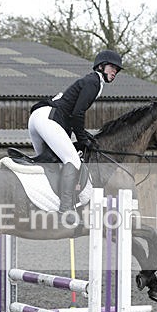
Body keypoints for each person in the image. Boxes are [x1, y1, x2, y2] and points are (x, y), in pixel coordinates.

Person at [27, 49, 123, 225]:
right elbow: (77, 114)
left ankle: (40, 203)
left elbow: (72, 115)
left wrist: (82, 134)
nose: (114, 72)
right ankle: (66, 209)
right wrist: (82, 137)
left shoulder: (90, 81)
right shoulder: (94, 82)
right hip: (49, 118)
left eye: (117, 70)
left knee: (50, 163)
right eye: (112, 68)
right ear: (101, 66)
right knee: (73, 160)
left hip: (37, 118)